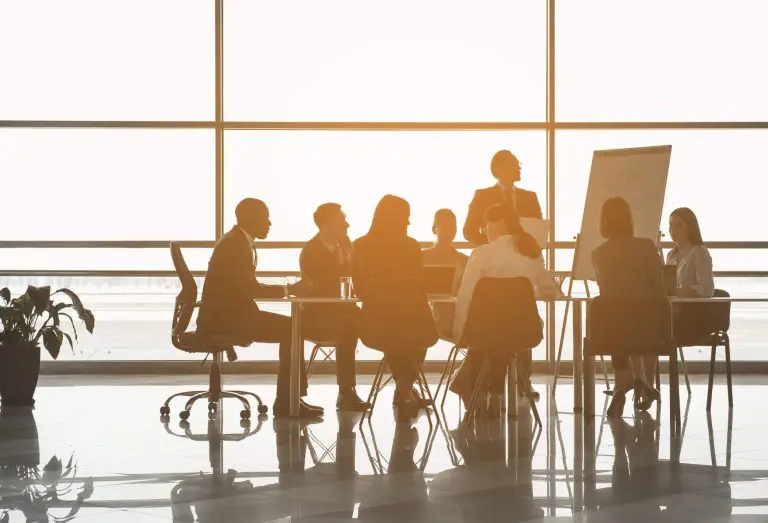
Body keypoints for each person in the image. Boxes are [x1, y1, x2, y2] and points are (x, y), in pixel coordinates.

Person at [196, 198, 323, 419]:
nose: (269, 223)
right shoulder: (235, 245)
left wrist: (286, 289)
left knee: (292, 328)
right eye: (265, 217)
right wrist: (289, 289)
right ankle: (288, 401)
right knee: (293, 329)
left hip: (228, 314)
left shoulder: (238, 241)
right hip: (228, 319)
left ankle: (291, 399)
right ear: (250, 218)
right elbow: (249, 288)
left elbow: (245, 286)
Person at [450, 203, 560, 407]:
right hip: (523, 332)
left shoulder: (481, 253)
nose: (484, 231)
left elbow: (466, 295)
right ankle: (496, 392)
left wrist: (460, 332)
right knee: (504, 340)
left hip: (486, 331)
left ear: (499, 223)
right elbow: (550, 293)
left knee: (488, 338)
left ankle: (482, 391)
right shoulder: (531, 251)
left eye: (486, 225)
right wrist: (525, 294)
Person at [351, 195, 438, 421]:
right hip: (416, 325)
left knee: (395, 339)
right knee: (411, 340)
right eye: (406, 218)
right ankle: (405, 385)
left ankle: (404, 385)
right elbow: (421, 282)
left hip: (375, 326)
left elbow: (359, 289)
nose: (409, 223)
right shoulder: (410, 246)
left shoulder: (360, 245)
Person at [591, 197, 666, 418]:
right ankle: (644, 383)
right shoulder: (645, 246)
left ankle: (620, 388)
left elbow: (607, 292)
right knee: (646, 318)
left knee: (620, 324)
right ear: (629, 219)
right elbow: (658, 288)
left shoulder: (598, 253)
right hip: (646, 328)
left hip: (612, 331)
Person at [299, 203, 369, 411]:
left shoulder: (346, 246)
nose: (347, 225)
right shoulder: (311, 251)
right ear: (327, 224)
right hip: (317, 317)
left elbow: (357, 278)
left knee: (385, 318)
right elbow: (325, 287)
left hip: (344, 313)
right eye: (342, 220)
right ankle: (346, 391)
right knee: (349, 325)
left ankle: (405, 386)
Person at [462, 150, 542, 246]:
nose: (519, 167)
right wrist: (489, 246)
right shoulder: (482, 196)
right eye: (515, 164)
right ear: (499, 169)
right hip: (494, 257)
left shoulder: (530, 198)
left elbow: (539, 230)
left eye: (518, 164)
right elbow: (468, 230)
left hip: (523, 256)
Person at [666, 207, 715, 343]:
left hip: (694, 314)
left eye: (678, 225)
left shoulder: (699, 252)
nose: (673, 229)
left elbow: (707, 289)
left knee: (652, 325)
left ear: (689, 227)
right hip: (675, 312)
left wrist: (686, 291)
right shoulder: (671, 255)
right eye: (670, 225)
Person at [422, 209, 468, 340]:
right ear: (434, 229)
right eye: (444, 226)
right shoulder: (422, 257)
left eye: (453, 226)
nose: (449, 230)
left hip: (464, 317)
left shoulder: (465, 260)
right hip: (433, 318)